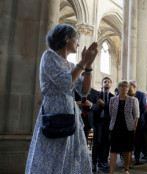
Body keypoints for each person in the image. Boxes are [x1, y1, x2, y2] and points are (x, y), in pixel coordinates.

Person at [25, 24, 98, 173]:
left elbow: (84, 91)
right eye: (76, 38)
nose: (78, 42)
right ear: (66, 39)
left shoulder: (71, 65)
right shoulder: (49, 56)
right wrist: (83, 62)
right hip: (55, 113)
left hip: (71, 116)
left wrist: (88, 66)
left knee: (72, 157)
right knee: (52, 156)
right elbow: (64, 82)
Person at [109, 80, 139, 174]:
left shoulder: (133, 100)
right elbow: (111, 113)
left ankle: (126, 169)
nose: (124, 88)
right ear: (118, 88)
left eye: (126, 87)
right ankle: (111, 171)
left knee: (127, 149)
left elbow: (136, 115)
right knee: (113, 149)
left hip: (128, 128)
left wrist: (134, 126)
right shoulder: (113, 99)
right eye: (122, 86)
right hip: (115, 127)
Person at [92, 77, 114, 171]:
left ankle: (103, 161)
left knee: (106, 142)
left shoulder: (113, 97)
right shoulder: (97, 95)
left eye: (108, 82)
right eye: (105, 82)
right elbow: (93, 106)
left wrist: (104, 104)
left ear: (111, 85)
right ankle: (94, 162)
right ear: (102, 84)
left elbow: (113, 109)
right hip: (98, 121)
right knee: (97, 142)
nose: (107, 83)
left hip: (108, 122)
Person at [129, 80, 147, 165]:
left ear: (134, 87)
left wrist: (135, 116)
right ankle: (127, 158)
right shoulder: (127, 94)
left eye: (130, 86)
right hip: (128, 120)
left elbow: (143, 107)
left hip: (139, 121)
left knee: (138, 140)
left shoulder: (141, 94)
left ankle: (137, 158)